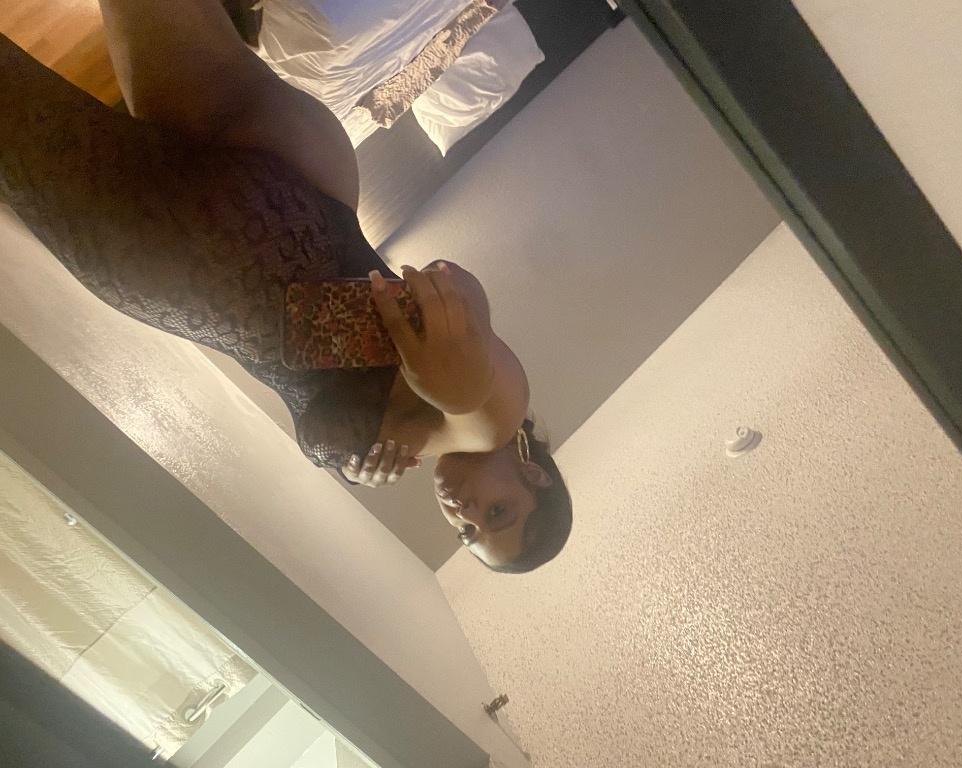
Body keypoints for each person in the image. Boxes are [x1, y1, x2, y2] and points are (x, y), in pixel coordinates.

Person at [0, 0, 570, 572]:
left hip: (306, 178)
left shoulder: (426, 440)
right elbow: (458, 320)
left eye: (468, 533)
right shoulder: (491, 418)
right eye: (498, 512)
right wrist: (456, 396)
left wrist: (360, 462)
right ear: (534, 474)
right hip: (217, 256)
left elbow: (443, 288)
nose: (465, 513)